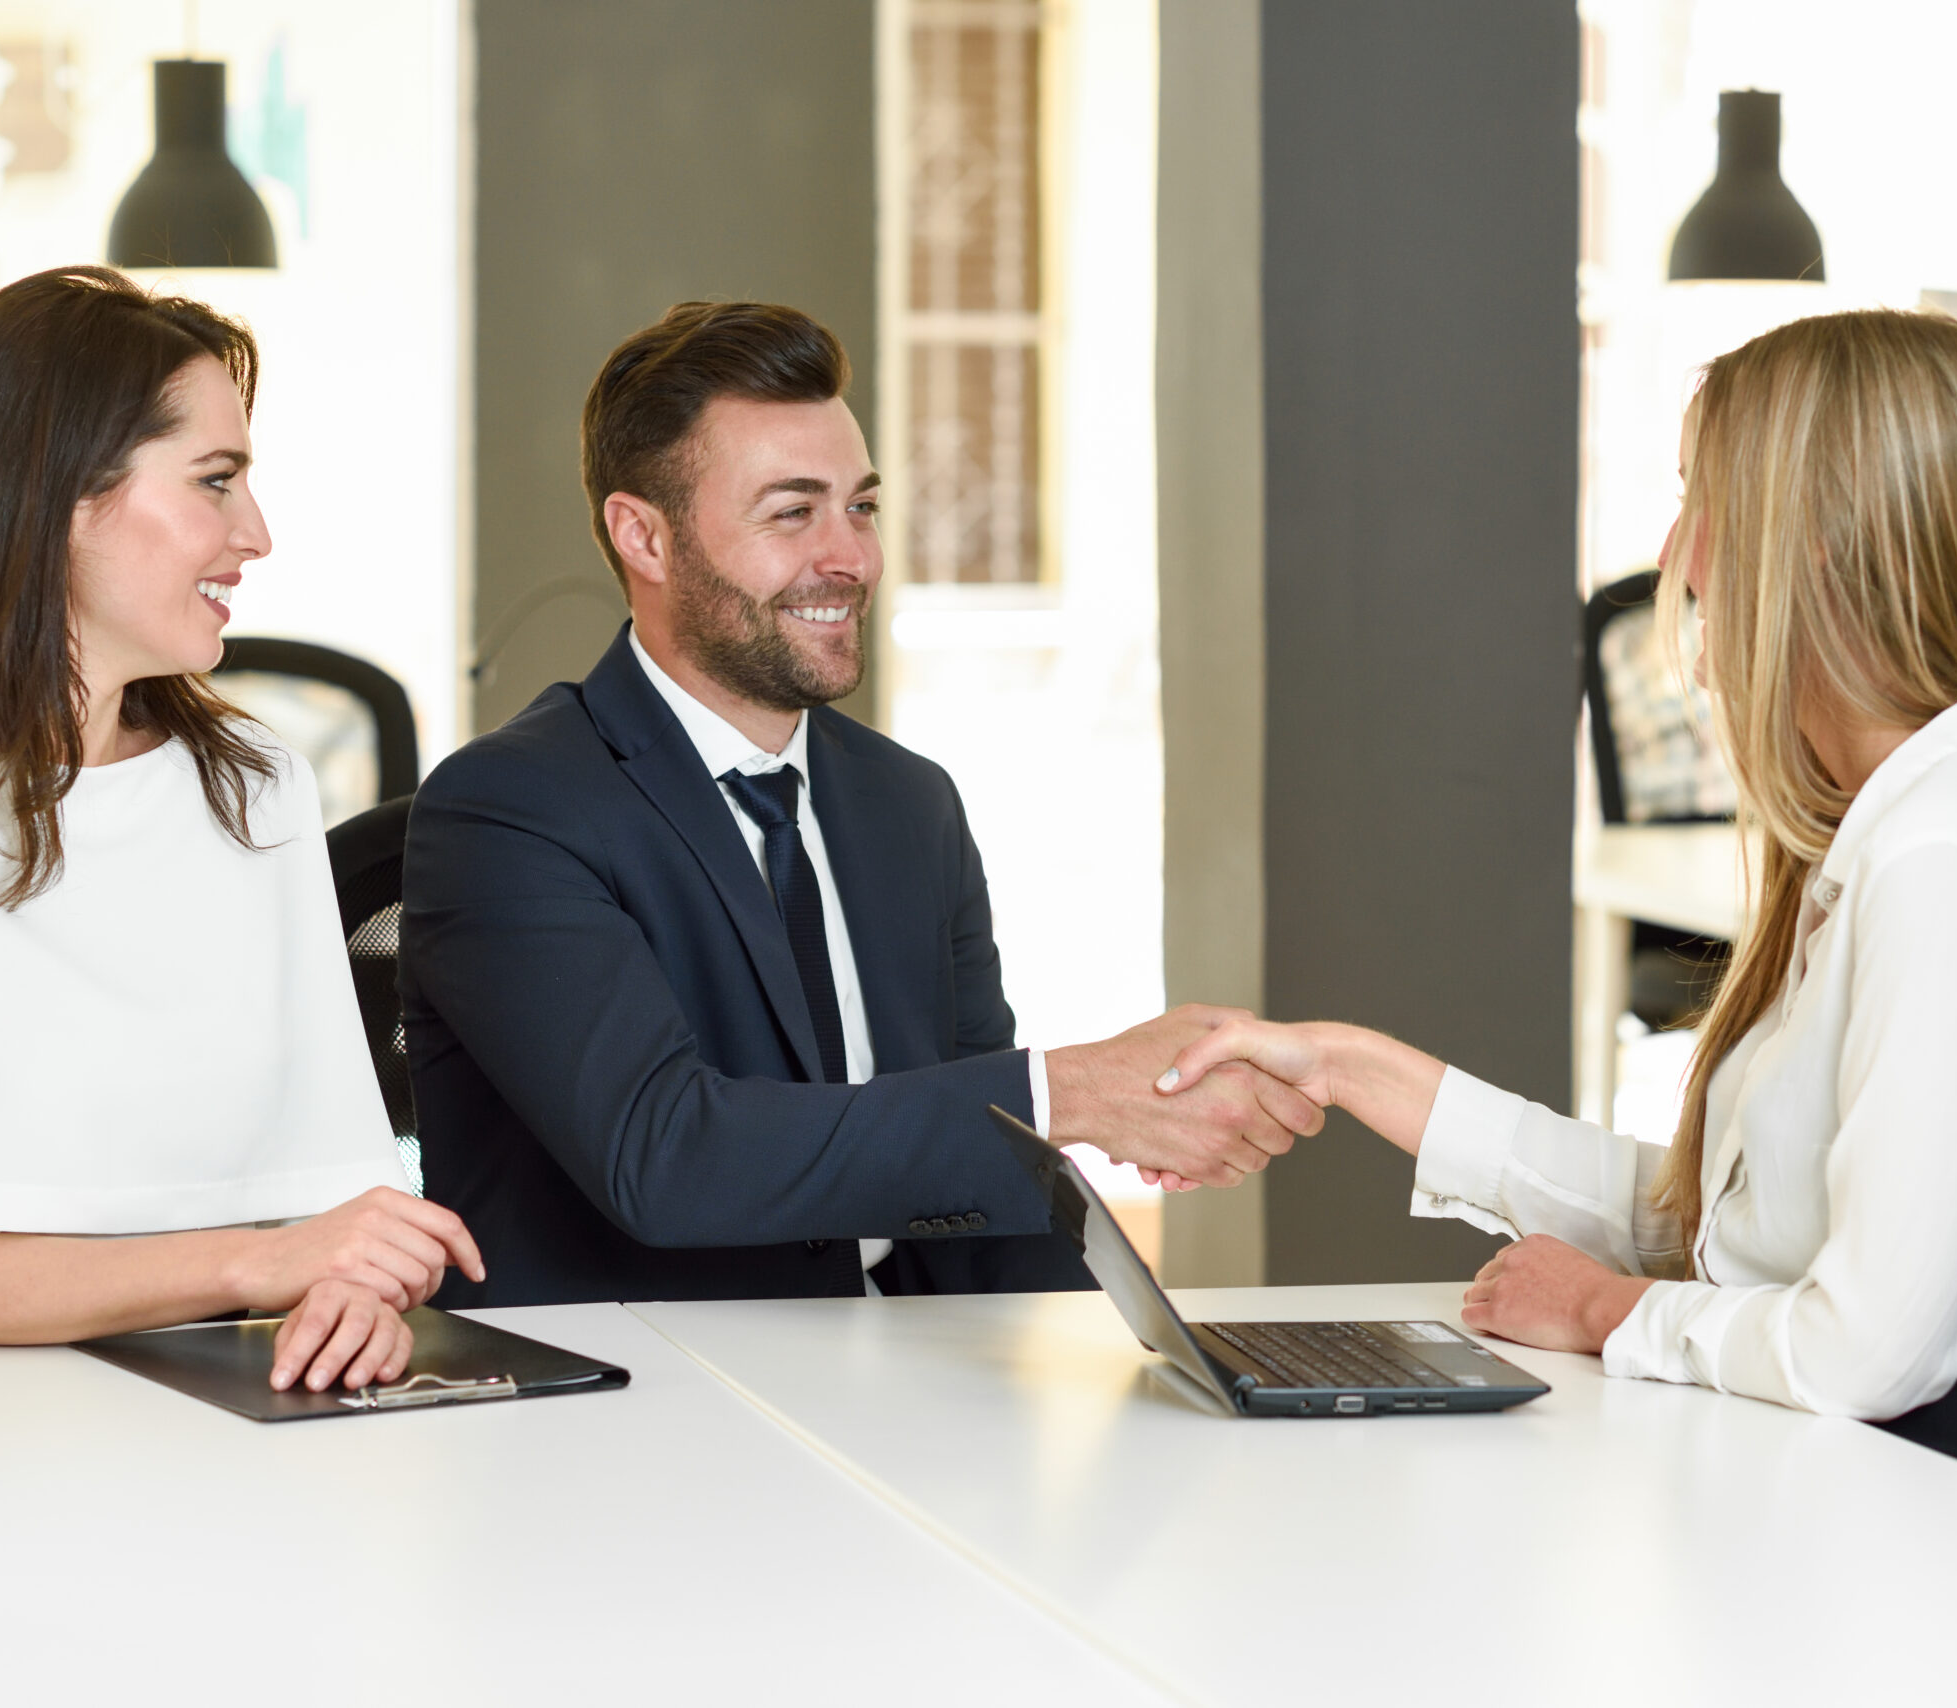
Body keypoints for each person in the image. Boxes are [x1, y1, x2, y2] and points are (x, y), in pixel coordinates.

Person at [1158, 309, 1957, 1521]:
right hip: (1883, 1474)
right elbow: (1721, 1228)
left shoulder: (1944, 859)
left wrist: (1601, 1309)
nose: (1676, 557)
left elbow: (1867, 1350)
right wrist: (1351, 1068)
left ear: (1815, 542)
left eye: (1702, 501)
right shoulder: (1889, 827)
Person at [403, 300, 1320, 1307]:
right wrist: (1072, 1092)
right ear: (644, 538)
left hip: (897, 1371)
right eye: (793, 512)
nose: (851, 557)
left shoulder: (907, 804)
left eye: (862, 507)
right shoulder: (510, 809)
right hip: (638, 1397)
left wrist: (1127, 1357)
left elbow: (992, 1170)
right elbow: (664, 1156)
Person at [0, 266, 482, 1394]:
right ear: (56, 497)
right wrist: (266, 1264)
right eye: (214, 481)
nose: (255, 533)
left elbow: (332, 1197)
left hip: (241, 1397)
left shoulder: (254, 786)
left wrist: (348, 1294)